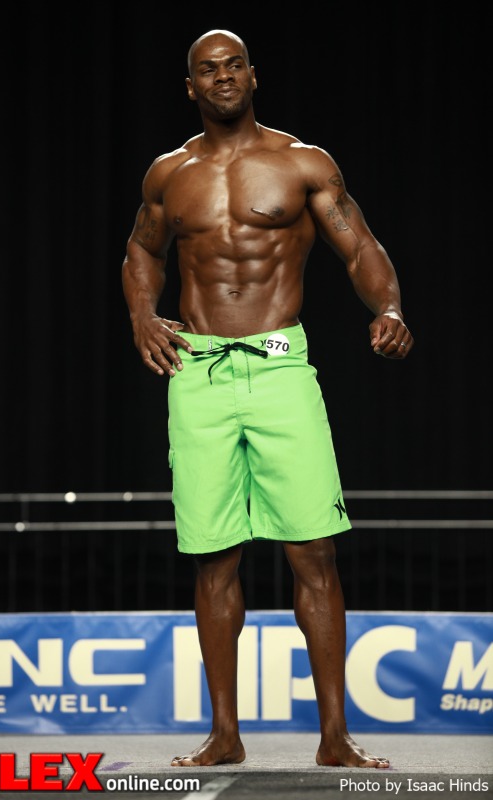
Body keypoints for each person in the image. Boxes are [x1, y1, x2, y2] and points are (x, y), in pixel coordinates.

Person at [122, 29, 414, 769]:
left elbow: (359, 245)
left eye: (233, 66)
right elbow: (142, 250)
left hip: (281, 369)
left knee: (313, 550)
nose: (221, 78)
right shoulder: (169, 173)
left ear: (253, 76)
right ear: (191, 86)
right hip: (199, 372)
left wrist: (388, 307)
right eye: (206, 70)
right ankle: (224, 734)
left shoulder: (302, 163)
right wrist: (141, 315)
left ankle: (334, 738)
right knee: (213, 557)